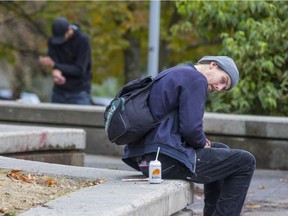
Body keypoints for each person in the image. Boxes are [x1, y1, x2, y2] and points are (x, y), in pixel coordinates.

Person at [122, 56, 256, 216]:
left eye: (224, 88)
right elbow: (191, 129)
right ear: (213, 65)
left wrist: (202, 141)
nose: (219, 88)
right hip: (165, 160)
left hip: (146, 159)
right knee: (245, 161)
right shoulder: (196, 79)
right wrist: (201, 142)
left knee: (221, 150)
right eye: (223, 80)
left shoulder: (177, 71)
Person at [39, 17, 92, 105]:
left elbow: (79, 69)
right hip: (59, 91)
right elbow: (55, 65)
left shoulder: (82, 41)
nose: (61, 42)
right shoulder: (52, 42)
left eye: (62, 38)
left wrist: (55, 65)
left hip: (79, 91)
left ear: (69, 30)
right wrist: (57, 74)